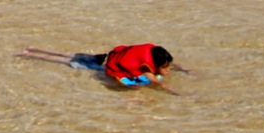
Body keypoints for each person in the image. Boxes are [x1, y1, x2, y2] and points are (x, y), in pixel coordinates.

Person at [20, 43, 178, 91]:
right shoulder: (148, 73)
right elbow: (163, 85)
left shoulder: (152, 54)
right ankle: (30, 55)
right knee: (66, 61)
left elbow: (166, 64)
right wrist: (180, 93)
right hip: (100, 67)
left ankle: (33, 48)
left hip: (104, 57)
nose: (168, 70)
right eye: (166, 68)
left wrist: (184, 69)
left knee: (68, 54)